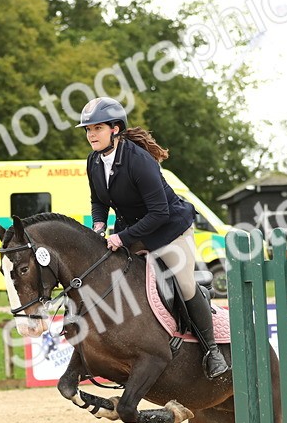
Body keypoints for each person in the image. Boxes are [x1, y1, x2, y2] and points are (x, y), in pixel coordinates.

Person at [76, 96, 229, 379]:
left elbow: (159, 213)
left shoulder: (139, 160)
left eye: (97, 128)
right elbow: (98, 200)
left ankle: (212, 352)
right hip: (133, 229)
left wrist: (121, 238)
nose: (91, 135)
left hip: (170, 230)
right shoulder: (94, 161)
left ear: (115, 129)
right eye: (88, 129)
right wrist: (99, 225)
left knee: (183, 283)